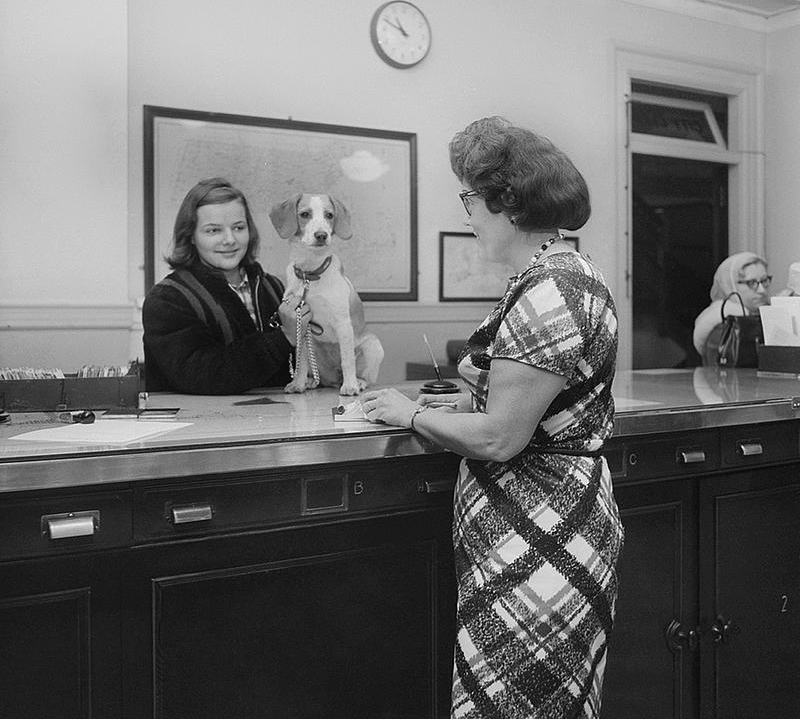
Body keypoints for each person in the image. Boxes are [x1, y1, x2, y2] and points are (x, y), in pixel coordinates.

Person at [361, 117, 623, 718]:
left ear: (507, 203)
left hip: (541, 536)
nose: (467, 213)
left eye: (469, 198)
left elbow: (502, 436)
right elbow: (533, 406)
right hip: (536, 530)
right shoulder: (556, 274)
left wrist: (411, 414)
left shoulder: (550, 289)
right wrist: (448, 407)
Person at [142, 177, 312, 394]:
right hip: (205, 425)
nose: (230, 239)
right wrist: (285, 337)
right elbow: (204, 376)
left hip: (278, 419)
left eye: (238, 227)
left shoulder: (272, 286)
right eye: (213, 231)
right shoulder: (166, 299)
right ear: (191, 236)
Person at [692, 252, 771, 365]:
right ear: (728, 285)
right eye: (751, 282)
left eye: (764, 281)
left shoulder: (763, 316)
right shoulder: (725, 327)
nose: (761, 290)